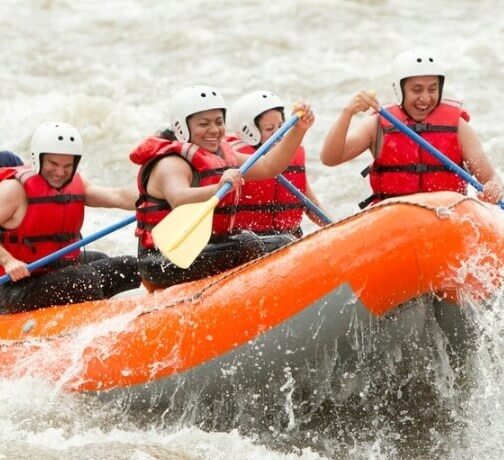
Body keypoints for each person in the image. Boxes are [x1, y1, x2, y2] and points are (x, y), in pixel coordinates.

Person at [131, 85, 314, 290]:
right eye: (204, 123)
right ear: (182, 127)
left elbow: (269, 166)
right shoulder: (171, 163)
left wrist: (299, 130)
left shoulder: (223, 155)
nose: (214, 130)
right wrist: (218, 187)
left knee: (284, 241)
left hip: (208, 248)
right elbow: (178, 198)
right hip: (164, 257)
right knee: (245, 244)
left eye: (219, 122)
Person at [320, 48, 503, 209]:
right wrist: (347, 113)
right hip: (394, 220)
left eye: (432, 89)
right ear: (399, 90)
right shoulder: (377, 126)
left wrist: (494, 188)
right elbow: (330, 158)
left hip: (447, 218)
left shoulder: (458, 127)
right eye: (417, 90)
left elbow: (490, 178)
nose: (425, 98)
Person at [0, 121, 141, 314]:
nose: (60, 172)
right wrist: (9, 262)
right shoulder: (14, 190)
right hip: (12, 287)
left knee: (127, 267)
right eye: (53, 164)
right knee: (84, 279)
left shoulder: (77, 183)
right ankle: (99, 325)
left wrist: (154, 200)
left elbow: (118, 196)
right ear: (37, 158)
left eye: (67, 166)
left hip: (49, 271)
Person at [226, 90, 330, 252]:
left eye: (281, 126)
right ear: (248, 132)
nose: (279, 134)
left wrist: (335, 227)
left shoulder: (290, 156)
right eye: (270, 129)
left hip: (288, 241)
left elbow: (311, 205)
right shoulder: (233, 160)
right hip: (250, 247)